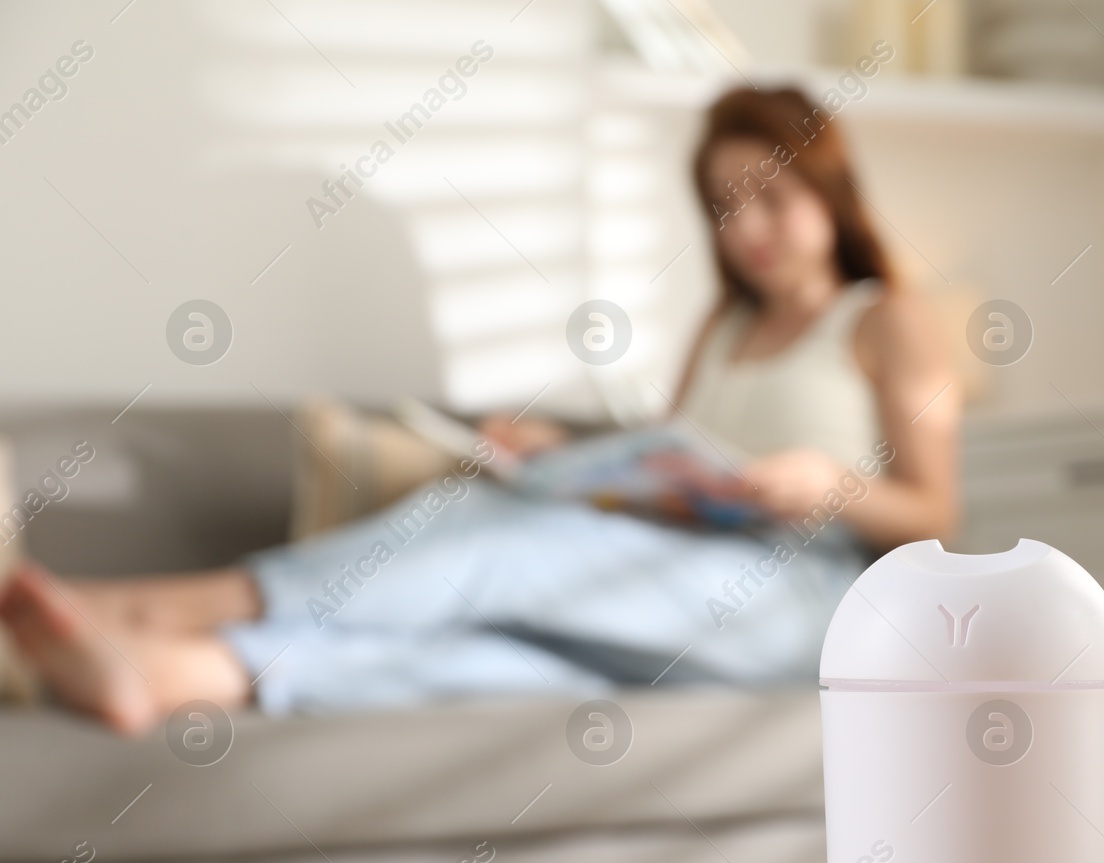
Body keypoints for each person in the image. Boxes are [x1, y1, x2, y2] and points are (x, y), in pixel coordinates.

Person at [0, 87, 959, 735]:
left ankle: (134, 606)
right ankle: (184, 672)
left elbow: (935, 513)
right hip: (686, 581)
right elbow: (680, 460)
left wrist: (830, 484)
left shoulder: (885, 319)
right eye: (724, 205)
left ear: (828, 191)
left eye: (771, 198)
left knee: (497, 539)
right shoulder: (720, 327)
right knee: (493, 657)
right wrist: (571, 452)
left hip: (810, 599)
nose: (747, 228)